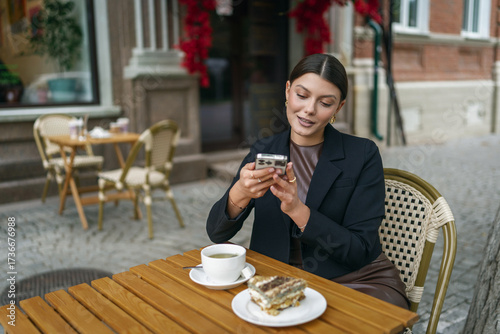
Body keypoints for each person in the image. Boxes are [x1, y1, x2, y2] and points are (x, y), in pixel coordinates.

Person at [206, 53, 409, 309]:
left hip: (353, 279)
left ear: (338, 107)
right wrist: (240, 192)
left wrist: (297, 210)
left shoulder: (363, 154)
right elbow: (216, 233)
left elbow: (360, 250)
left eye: (325, 102)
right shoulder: (263, 151)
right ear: (288, 90)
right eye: (302, 95)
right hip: (276, 278)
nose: (309, 109)